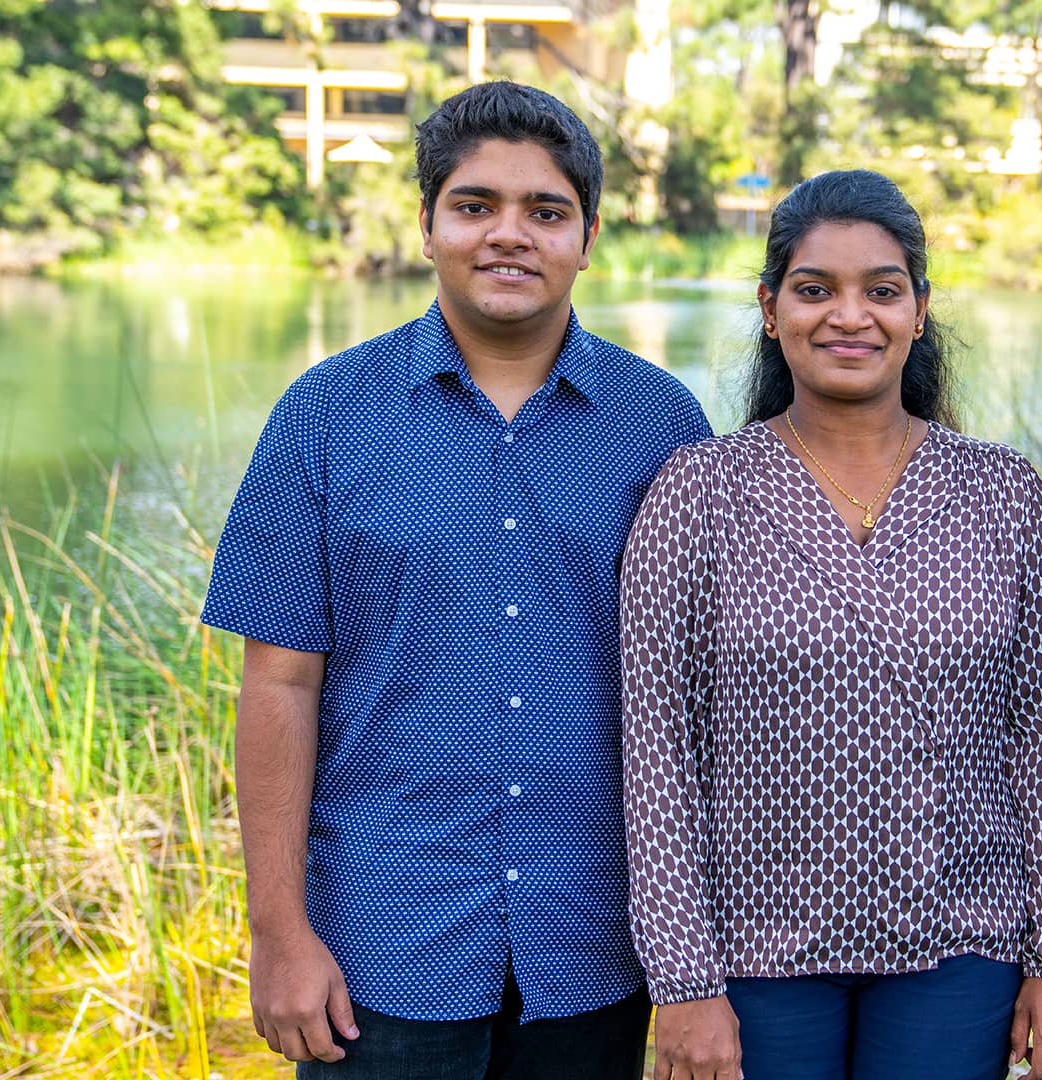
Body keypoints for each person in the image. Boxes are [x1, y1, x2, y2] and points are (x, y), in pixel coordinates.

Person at [200, 81, 712, 1078]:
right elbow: (279, 685)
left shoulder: (663, 427)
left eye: (545, 211)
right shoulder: (324, 415)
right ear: (429, 225)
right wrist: (277, 932)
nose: (508, 235)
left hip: (596, 943)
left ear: (588, 236)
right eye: (475, 206)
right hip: (382, 945)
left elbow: (698, 698)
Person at [619, 169, 1042, 1080]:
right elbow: (656, 752)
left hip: (960, 942)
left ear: (919, 311)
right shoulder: (697, 490)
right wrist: (682, 979)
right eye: (815, 290)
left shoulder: (998, 493)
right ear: (770, 310)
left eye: (881, 290)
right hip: (752, 955)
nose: (850, 316)